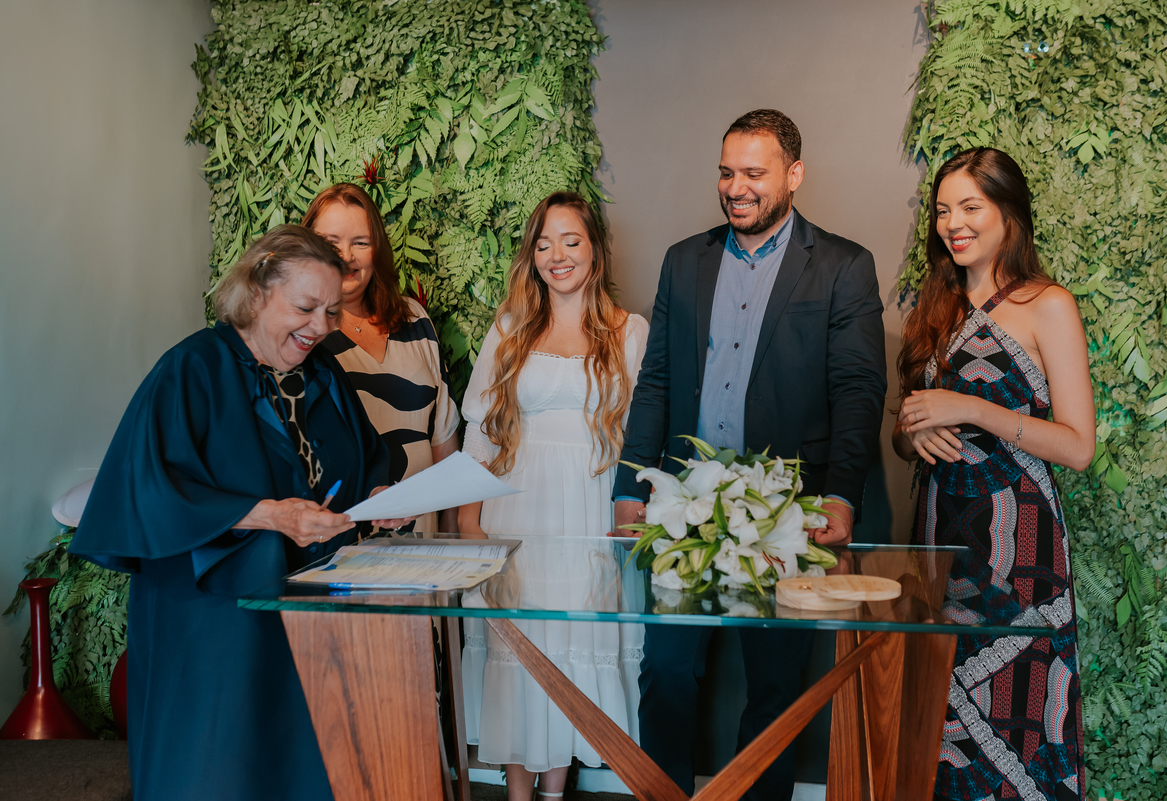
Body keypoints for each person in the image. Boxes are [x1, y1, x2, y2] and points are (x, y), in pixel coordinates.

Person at [69, 226, 409, 801]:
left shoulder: (324, 371)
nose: (320, 326)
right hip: (213, 614)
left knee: (303, 764)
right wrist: (271, 516)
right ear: (255, 293)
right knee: (220, 764)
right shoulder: (190, 368)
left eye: (331, 311)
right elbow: (150, 487)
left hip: (309, 608)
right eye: (305, 307)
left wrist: (380, 499)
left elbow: (362, 459)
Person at [612, 109, 887, 800]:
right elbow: (656, 381)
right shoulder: (685, 261)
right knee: (665, 670)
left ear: (795, 175)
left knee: (775, 685)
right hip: (685, 509)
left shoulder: (844, 265)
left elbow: (858, 391)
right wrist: (628, 485)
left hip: (788, 514)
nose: (736, 188)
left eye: (754, 173)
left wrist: (840, 496)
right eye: (726, 172)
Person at [893, 147, 1094, 800]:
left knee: (1018, 720)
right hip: (937, 547)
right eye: (942, 210)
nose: (953, 223)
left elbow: (1078, 447)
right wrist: (913, 432)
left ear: (1010, 213)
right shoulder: (935, 306)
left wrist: (974, 408)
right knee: (937, 729)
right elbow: (906, 431)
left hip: (1020, 560)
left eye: (970, 207)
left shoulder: (1048, 305)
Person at [457, 191, 649, 801]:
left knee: (573, 643)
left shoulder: (630, 332)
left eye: (570, 241)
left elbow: (644, 434)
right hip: (517, 509)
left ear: (595, 248)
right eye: (543, 244)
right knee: (520, 644)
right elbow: (480, 432)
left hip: (591, 510)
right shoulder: (509, 328)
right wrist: (469, 525)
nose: (557, 255)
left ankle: (553, 791)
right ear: (531, 256)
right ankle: (518, 794)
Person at [302, 183, 460, 533]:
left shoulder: (415, 319)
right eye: (331, 242)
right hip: (346, 538)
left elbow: (443, 438)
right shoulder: (304, 336)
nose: (346, 256)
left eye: (361, 242)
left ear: (378, 249)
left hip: (423, 535)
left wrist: (450, 533)